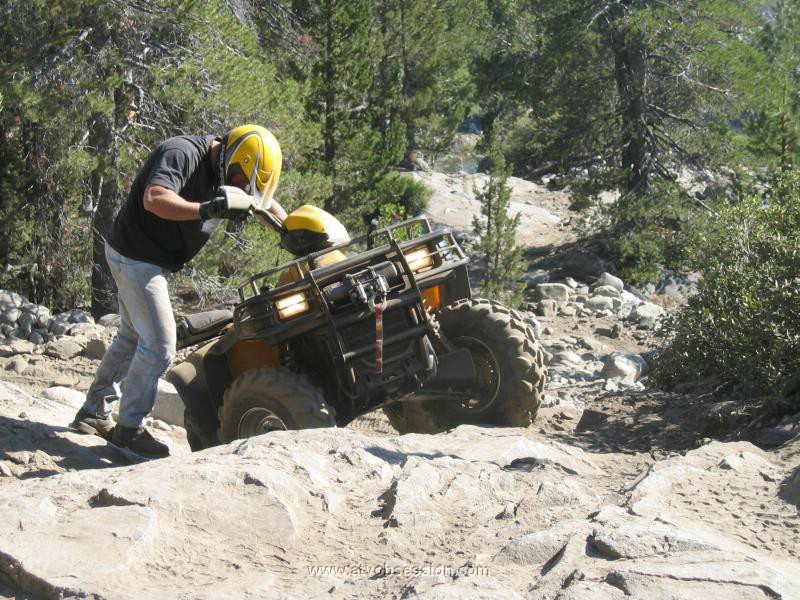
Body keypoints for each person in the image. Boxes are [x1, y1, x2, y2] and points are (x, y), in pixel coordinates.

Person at [71, 125, 287, 458]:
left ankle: (93, 412)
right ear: (231, 158)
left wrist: (292, 230)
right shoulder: (181, 153)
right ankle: (129, 429)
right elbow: (154, 198)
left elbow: (262, 203)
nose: (241, 188)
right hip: (134, 257)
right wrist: (205, 209)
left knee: (131, 336)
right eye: (241, 181)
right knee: (159, 345)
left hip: (148, 258)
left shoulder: (231, 168)